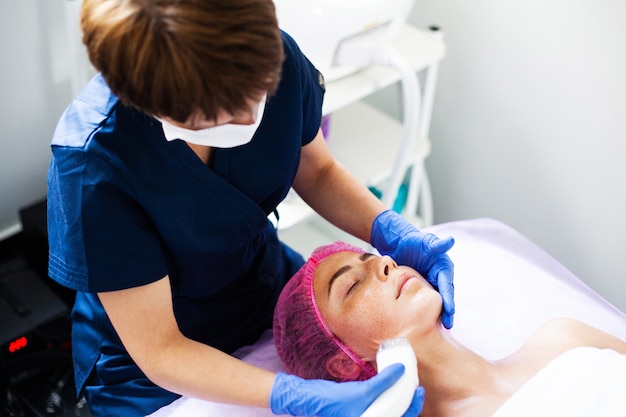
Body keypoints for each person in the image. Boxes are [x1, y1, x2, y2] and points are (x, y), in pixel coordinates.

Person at [46, 1, 455, 416]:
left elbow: (318, 172)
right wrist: (289, 396)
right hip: (151, 365)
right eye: (217, 114)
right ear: (149, 102)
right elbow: (161, 350)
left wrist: (389, 228)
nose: (249, 117)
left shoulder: (273, 56)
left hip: (264, 287)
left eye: (257, 90)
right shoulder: (94, 166)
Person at [273, 241, 626, 417]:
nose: (385, 263)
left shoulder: (563, 338)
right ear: (344, 363)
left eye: (373, 258)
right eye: (351, 286)